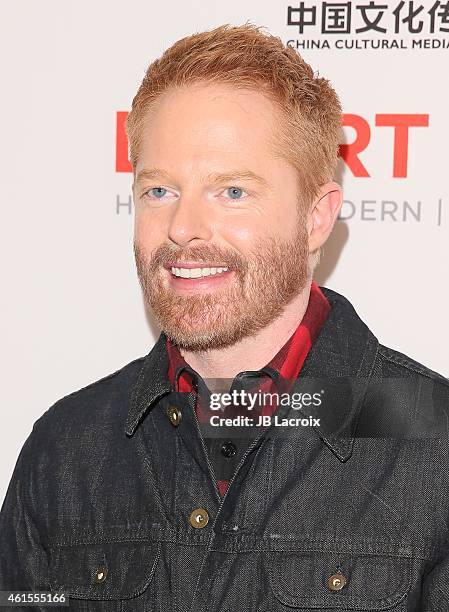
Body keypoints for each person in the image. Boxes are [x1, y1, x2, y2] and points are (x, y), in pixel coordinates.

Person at [1, 22, 448, 612]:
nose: (182, 228)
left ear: (316, 217)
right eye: (158, 190)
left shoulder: (434, 443)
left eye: (232, 192)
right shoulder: (65, 447)